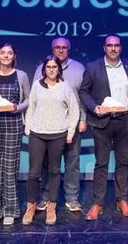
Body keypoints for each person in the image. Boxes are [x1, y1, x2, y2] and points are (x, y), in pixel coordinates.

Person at [80, 35, 128, 220]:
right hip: (102, 121)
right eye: (110, 45)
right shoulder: (93, 67)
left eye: (116, 45)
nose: (113, 48)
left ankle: (122, 201)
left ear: (121, 48)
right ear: (104, 48)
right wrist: (95, 108)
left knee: (122, 162)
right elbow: (83, 91)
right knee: (101, 163)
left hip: (124, 120)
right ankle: (98, 203)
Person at [22, 56, 80, 225]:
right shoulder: (36, 85)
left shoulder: (65, 86)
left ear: (59, 69)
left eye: (55, 67)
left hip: (58, 134)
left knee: (55, 171)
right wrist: (29, 130)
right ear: (44, 69)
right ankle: (30, 206)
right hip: (37, 134)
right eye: (49, 67)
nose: (52, 69)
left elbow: (74, 110)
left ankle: (51, 207)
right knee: (34, 172)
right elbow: (31, 107)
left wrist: (70, 132)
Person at [32, 37, 86, 212]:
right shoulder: (42, 67)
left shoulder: (79, 68)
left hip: (72, 124)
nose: (61, 50)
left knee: (72, 162)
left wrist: (83, 119)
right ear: (52, 49)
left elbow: (83, 96)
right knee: (48, 163)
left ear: (69, 50)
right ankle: (45, 196)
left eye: (64, 48)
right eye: (57, 47)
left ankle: (72, 198)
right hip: (47, 127)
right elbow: (34, 97)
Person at [0, 43, 30, 226]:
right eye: (2, 52)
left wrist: (17, 107)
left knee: (10, 167)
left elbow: (27, 98)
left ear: (14, 55)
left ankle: (10, 210)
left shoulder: (21, 75)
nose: (6, 55)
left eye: (9, 53)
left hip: (13, 123)